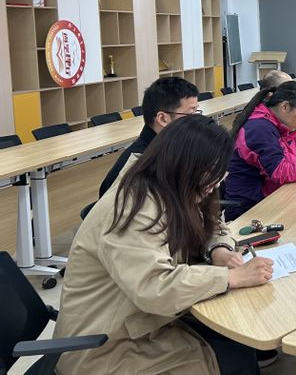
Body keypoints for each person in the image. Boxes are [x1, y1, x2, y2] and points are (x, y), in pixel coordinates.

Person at [54, 115, 274, 375]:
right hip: (105, 348)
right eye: (212, 177)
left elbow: (212, 225)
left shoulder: (172, 186)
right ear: (185, 165)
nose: (214, 186)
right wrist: (230, 277)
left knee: (236, 342)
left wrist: (219, 249)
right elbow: (154, 286)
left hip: (143, 323)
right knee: (233, 358)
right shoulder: (133, 209)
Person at [223, 81, 296, 221]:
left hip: (273, 197)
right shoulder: (259, 128)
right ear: (285, 107)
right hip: (250, 208)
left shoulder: (282, 124)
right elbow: (279, 171)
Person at [98, 76, 199, 200]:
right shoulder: (139, 165)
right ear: (163, 118)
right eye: (191, 114)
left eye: (196, 112)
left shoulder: (171, 147)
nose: (197, 120)